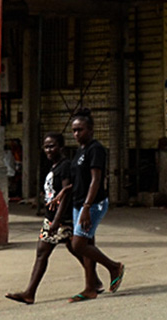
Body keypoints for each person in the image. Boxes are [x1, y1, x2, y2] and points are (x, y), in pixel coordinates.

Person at [5, 133, 100, 305]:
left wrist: (56, 221)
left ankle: (29, 293)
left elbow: (66, 194)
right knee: (74, 249)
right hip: (53, 218)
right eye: (46, 146)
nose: (48, 150)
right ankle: (95, 281)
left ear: (61, 148)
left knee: (46, 252)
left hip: (61, 219)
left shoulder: (65, 166)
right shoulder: (54, 166)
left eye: (52, 146)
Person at [68, 108, 124, 302]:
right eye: (74, 130)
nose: (76, 134)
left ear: (90, 130)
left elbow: (96, 180)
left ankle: (113, 266)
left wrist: (86, 207)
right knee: (87, 244)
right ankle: (90, 287)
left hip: (93, 204)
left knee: (78, 244)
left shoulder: (95, 149)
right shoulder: (80, 151)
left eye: (80, 130)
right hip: (78, 203)